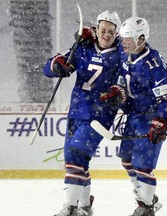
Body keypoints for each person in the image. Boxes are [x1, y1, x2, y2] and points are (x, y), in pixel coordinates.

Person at [43, 10, 123, 216]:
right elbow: (57, 67)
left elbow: (129, 81)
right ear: (96, 30)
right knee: (76, 160)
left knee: (75, 157)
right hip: (76, 112)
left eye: (111, 32)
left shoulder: (121, 53)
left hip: (99, 117)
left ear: (117, 33)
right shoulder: (84, 47)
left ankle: (70, 208)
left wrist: (119, 92)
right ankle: (85, 206)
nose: (106, 35)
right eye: (103, 30)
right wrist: (56, 65)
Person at [100, 17, 167, 216]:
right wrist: (117, 92)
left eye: (128, 38)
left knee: (143, 166)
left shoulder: (152, 65)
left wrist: (161, 121)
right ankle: (147, 199)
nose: (123, 41)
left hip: (150, 118)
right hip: (134, 117)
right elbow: (122, 81)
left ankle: (146, 207)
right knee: (127, 160)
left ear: (142, 38)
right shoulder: (128, 54)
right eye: (123, 37)